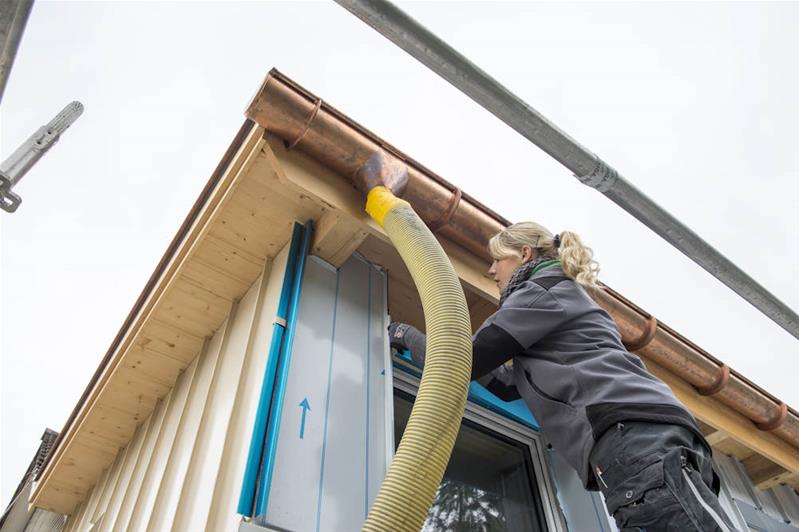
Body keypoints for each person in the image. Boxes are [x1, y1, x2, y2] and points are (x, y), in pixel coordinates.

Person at [388, 221, 738, 532]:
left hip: (633, 439)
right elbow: (509, 386)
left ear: (524, 254)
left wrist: (404, 334)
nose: (491, 269)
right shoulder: (556, 301)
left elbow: (466, 359)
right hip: (637, 441)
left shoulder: (541, 291)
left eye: (498, 259)